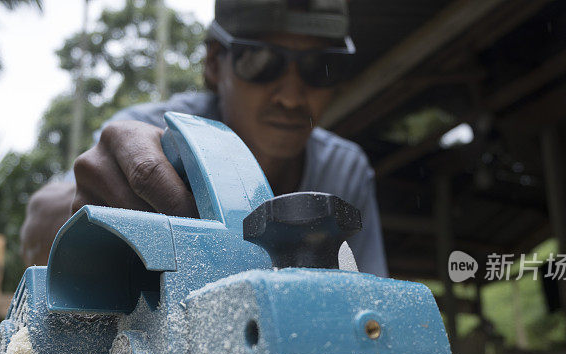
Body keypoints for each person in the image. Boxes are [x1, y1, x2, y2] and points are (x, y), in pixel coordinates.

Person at [20, 0, 388, 277]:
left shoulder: (344, 170)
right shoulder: (160, 136)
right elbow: (37, 226)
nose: (291, 98)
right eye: (260, 61)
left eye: (321, 67)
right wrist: (98, 207)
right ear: (214, 63)